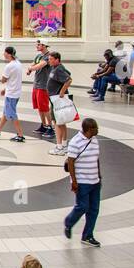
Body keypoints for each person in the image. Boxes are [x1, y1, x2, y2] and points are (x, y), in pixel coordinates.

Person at [64, 117, 101, 247]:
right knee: (82, 206)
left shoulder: (94, 140)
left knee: (94, 209)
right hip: (82, 181)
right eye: (95, 128)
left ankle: (87, 235)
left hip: (95, 181)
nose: (97, 129)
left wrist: (99, 176)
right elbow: (71, 162)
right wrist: (74, 181)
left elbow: (96, 159)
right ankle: (68, 222)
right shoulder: (75, 142)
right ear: (88, 129)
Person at [46, 50, 73, 156]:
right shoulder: (57, 68)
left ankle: (59, 146)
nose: (49, 61)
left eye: (51, 59)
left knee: (57, 123)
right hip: (54, 99)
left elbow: (69, 79)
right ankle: (65, 145)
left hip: (57, 99)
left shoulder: (59, 69)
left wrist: (62, 92)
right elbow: (68, 73)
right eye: (49, 59)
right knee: (61, 122)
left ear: (57, 59)